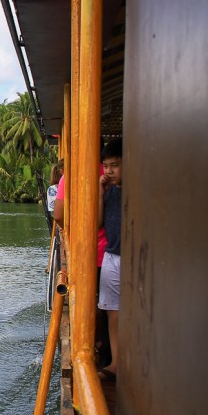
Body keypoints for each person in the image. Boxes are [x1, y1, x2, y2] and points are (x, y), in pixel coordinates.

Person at [97, 139, 123, 379]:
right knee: (112, 312)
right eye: (106, 166)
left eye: (114, 165)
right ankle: (115, 363)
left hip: (129, 255)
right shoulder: (110, 190)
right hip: (112, 254)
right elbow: (98, 222)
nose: (109, 171)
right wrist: (101, 193)